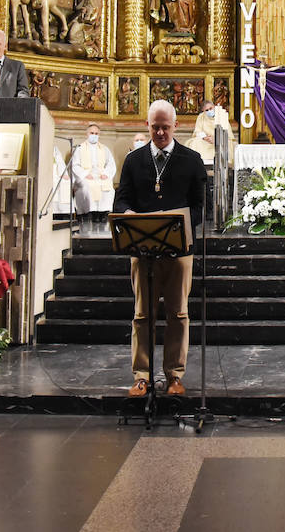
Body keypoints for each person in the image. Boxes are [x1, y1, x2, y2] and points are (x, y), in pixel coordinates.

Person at [113, 100, 207, 398]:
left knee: (178, 314)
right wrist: (127, 214)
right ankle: (142, 376)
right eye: (155, 127)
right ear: (147, 125)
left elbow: (200, 207)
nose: (161, 133)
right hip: (142, 250)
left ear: (176, 126)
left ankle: (174, 376)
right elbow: (121, 199)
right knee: (143, 315)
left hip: (179, 253)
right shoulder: (133, 160)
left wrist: (179, 224)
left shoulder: (191, 160)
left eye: (166, 127)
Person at [70, 122, 115, 230]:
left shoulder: (104, 149)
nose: (94, 135)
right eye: (92, 133)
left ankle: (103, 214)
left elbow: (111, 164)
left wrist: (105, 174)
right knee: (86, 186)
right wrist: (85, 174)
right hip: (86, 176)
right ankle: (87, 215)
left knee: (107, 185)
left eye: (96, 133)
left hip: (100, 176)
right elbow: (75, 165)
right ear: (87, 134)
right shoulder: (80, 148)